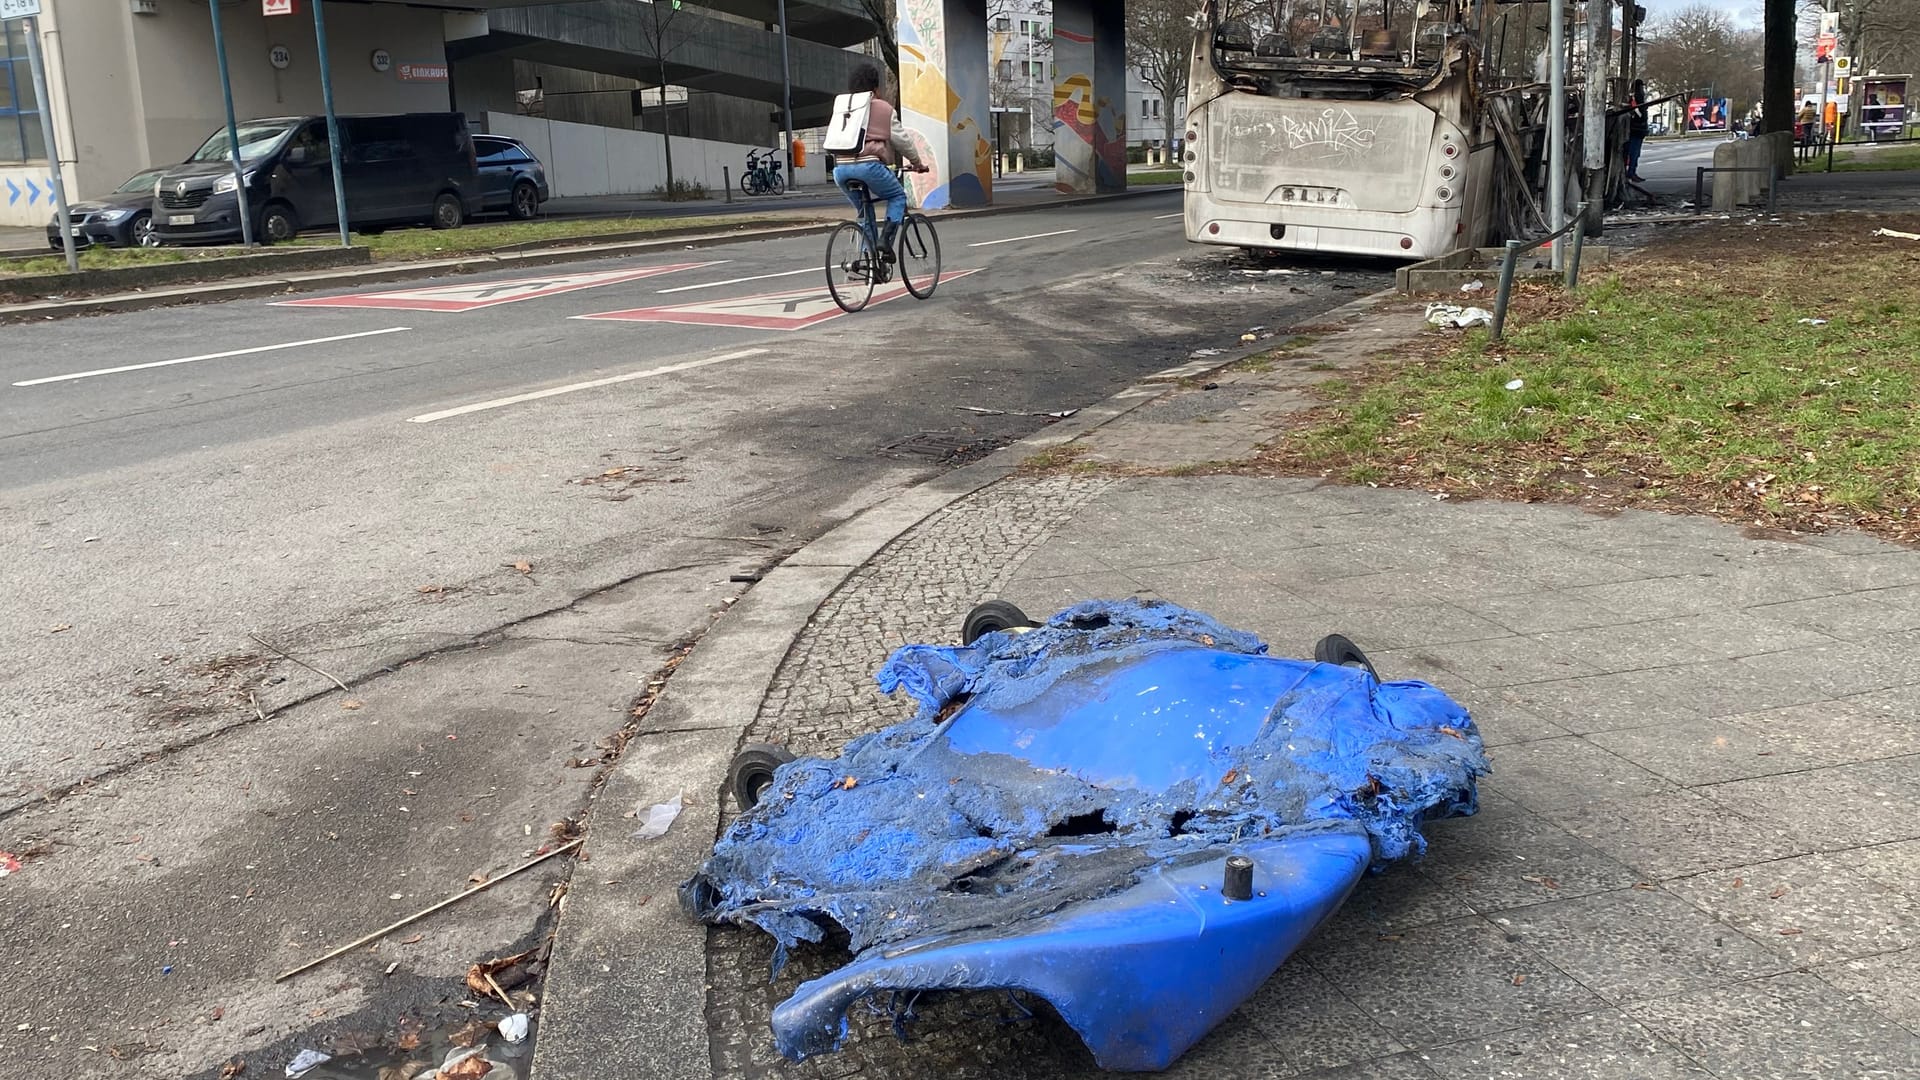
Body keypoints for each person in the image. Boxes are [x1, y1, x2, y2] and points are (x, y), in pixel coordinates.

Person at [832, 63, 928, 259]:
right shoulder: (883, 108)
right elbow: (902, 141)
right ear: (876, 88)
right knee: (898, 196)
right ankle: (885, 242)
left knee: (864, 211)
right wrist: (917, 163)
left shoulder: (844, 106)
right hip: (869, 166)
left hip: (840, 170)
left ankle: (869, 259)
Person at [1626, 80, 1649, 183]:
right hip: (1636, 130)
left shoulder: (1637, 98)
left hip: (1639, 131)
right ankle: (1631, 172)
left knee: (1636, 153)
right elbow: (1638, 114)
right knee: (1633, 153)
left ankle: (1632, 171)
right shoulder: (1635, 98)